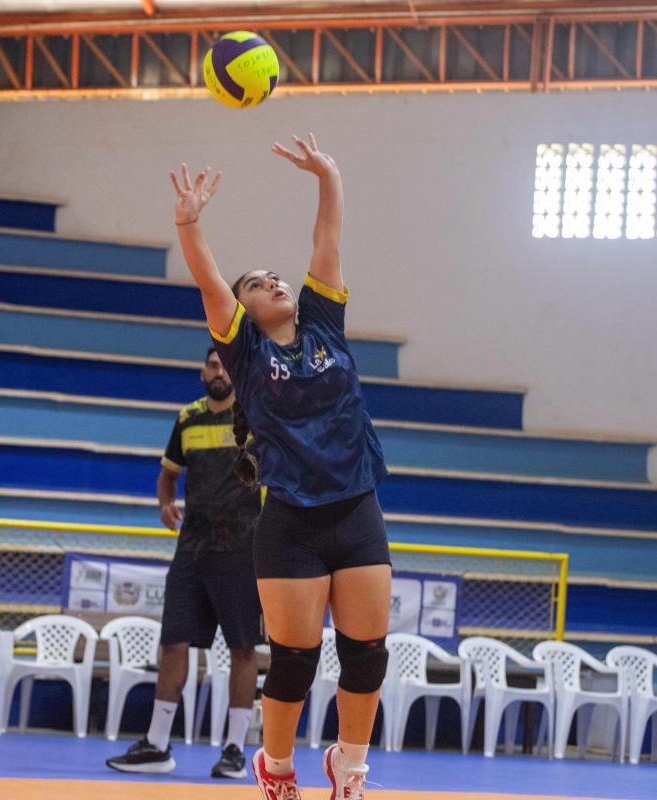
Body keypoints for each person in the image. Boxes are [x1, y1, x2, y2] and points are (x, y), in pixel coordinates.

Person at [168, 135, 392, 800]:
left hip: (355, 507)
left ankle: (349, 768)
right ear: (244, 308)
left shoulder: (324, 324)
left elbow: (327, 240)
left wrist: (329, 175)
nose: (274, 282)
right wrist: (189, 224)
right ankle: (276, 765)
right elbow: (211, 282)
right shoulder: (243, 352)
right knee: (294, 661)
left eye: (276, 276)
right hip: (292, 523)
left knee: (367, 655)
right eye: (257, 283)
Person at [107, 347, 264, 779]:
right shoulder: (187, 418)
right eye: (212, 365)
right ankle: (157, 744)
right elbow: (168, 475)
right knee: (174, 642)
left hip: (243, 549)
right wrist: (165, 503)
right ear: (202, 373)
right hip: (192, 549)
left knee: (243, 647)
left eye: (225, 365)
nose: (219, 371)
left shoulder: (255, 415)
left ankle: (235, 749)